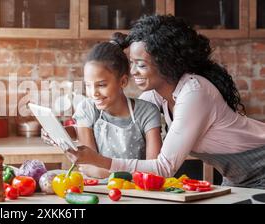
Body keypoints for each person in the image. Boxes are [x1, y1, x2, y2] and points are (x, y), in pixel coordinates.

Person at [66, 15, 265, 189]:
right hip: (238, 178)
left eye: (141, 64)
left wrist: (99, 161)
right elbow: (121, 117)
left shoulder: (194, 93)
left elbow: (163, 168)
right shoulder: (155, 96)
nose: (133, 71)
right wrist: (68, 133)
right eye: (132, 63)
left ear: (166, 62)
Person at [45, 40, 163, 178]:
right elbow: (88, 166)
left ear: (123, 81)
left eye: (101, 85)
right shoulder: (87, 108)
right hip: (98, 191)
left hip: (137, 192)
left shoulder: (147, 112)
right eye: (88, 85)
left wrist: (99, 170)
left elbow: (153, 172)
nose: (93, 93)